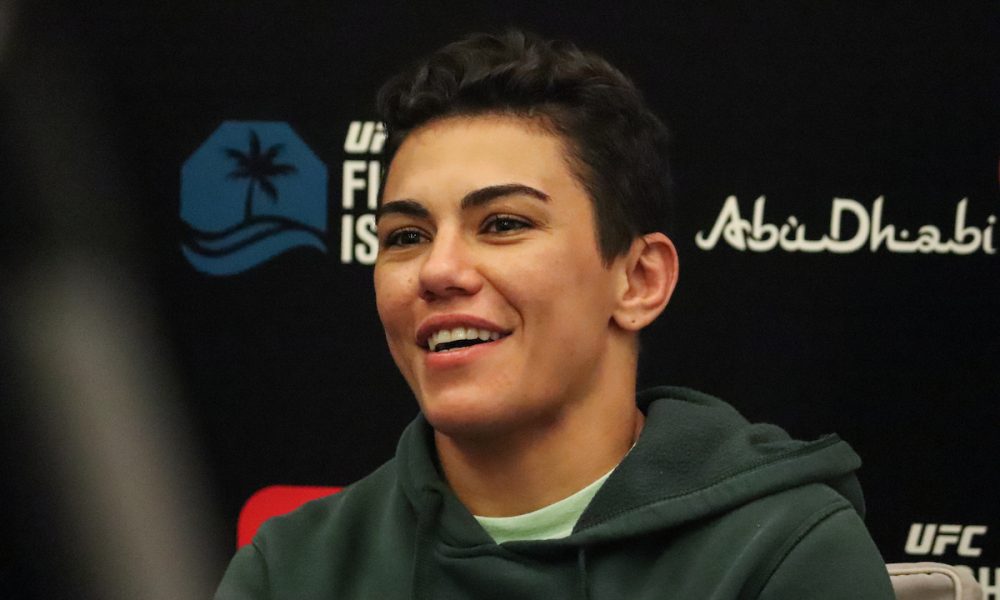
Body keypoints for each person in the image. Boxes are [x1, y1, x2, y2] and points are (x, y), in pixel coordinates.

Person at [216, 30, 895, 599]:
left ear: (639, 281)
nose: (438, 270)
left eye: (503, 223)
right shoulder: (294, 568)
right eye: (406, 236)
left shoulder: (780, 553)